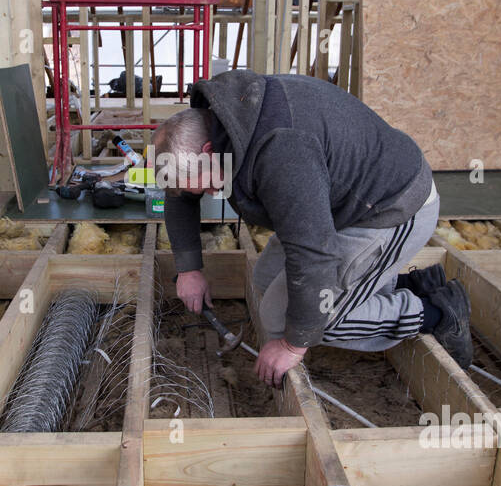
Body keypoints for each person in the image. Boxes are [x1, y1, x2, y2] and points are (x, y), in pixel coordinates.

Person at [155, 69, 472, 386]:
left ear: (208, 151)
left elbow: (313, 254)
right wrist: (188, 268)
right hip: (331, 205)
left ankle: (437, 312)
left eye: (197, 184)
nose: (201, 193)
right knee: (267, 283)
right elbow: (179, 196)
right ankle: (414, 283)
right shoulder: (221, 116)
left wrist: (293, 345)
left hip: (390, 208)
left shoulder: (282, 151)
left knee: (318, 321)